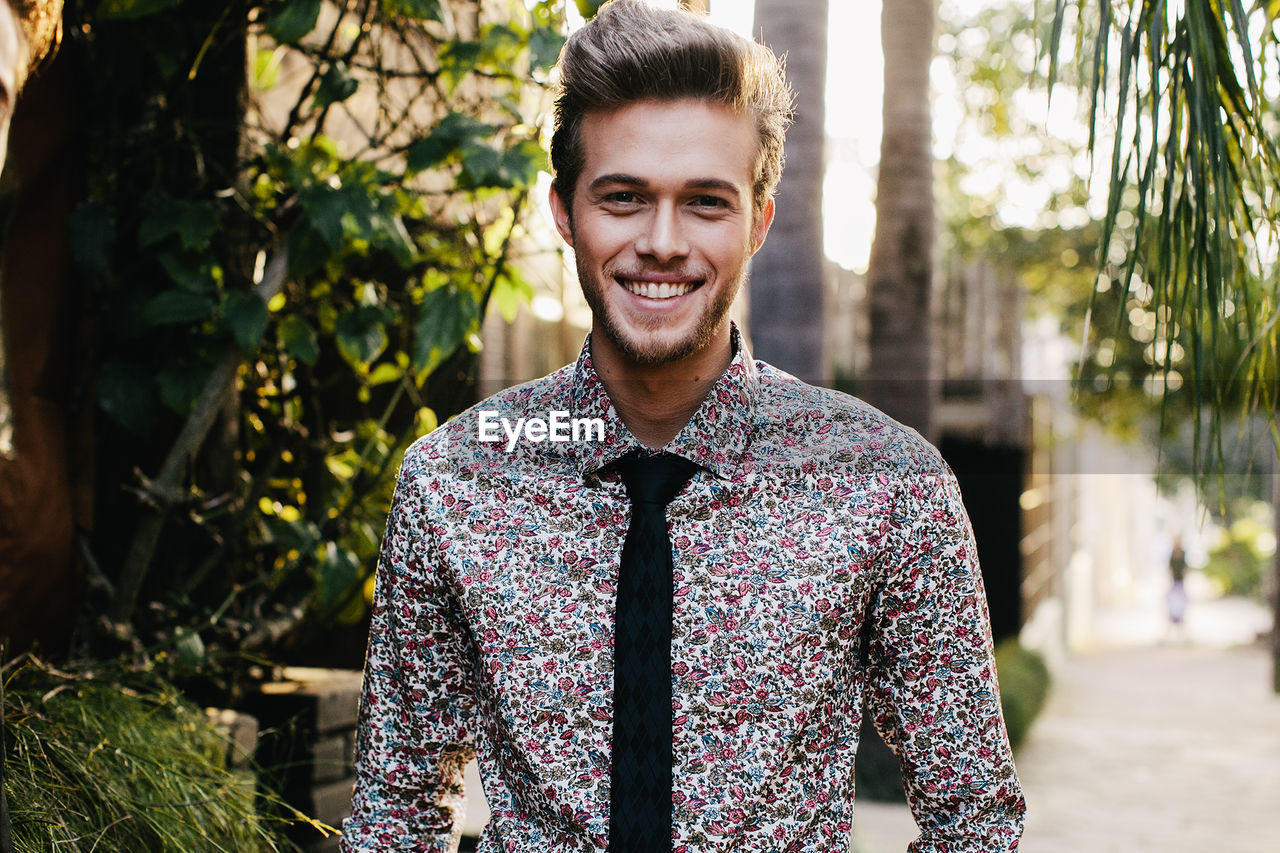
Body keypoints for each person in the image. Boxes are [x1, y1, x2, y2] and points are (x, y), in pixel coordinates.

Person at [341, 2, 1025, 851]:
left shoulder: (889, 484)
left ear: (759, 220)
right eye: (623, 197)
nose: (661, 243)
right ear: (564, 211)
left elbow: (976, 817)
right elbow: (394, 811)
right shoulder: (454, 481)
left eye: (706, 202)